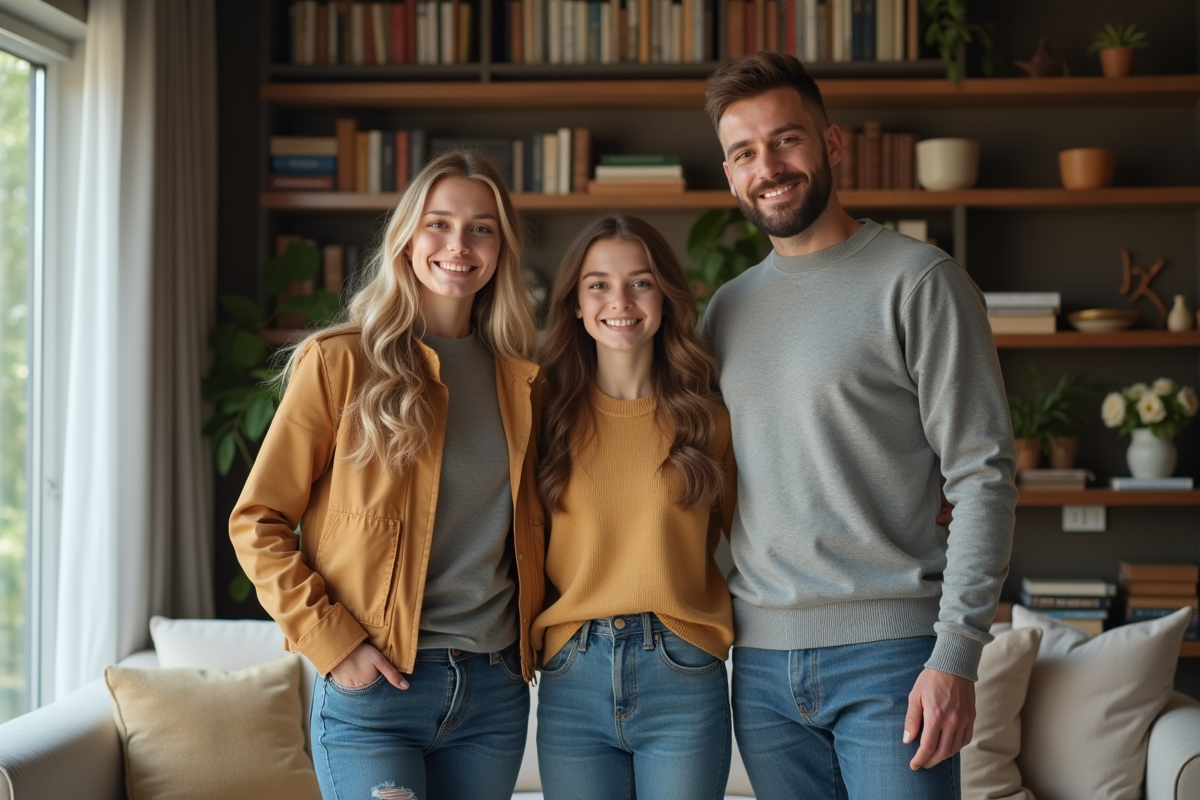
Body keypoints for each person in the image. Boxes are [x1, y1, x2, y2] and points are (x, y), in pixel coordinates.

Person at [699, 52, 1018, 800]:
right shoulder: (726, 310)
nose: (768, 167)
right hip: (762, 670)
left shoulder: (919, 281)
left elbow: (983, 476)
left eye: (787, 140)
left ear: (832, 144)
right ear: (730, 175)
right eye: (745, 152)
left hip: (895, 658)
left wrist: (956, 656)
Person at [229, 150, 545, 800]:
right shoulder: (340, 363)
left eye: (482, 227)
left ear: (501, 246)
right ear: (406, 236)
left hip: (493, 693)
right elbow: (256, 521)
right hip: (376, 688)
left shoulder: (524, 379)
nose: (459, 244)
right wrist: (331, 642)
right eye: (439, 223)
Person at [531, 215, 738, 800]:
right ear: (574, 301)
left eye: (640, 282)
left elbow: (762, 535)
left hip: (682, 668)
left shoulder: (709, 417)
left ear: (666, 296)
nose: (619, 301)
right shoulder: (541, 412)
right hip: (573, 671)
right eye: (598, 284)